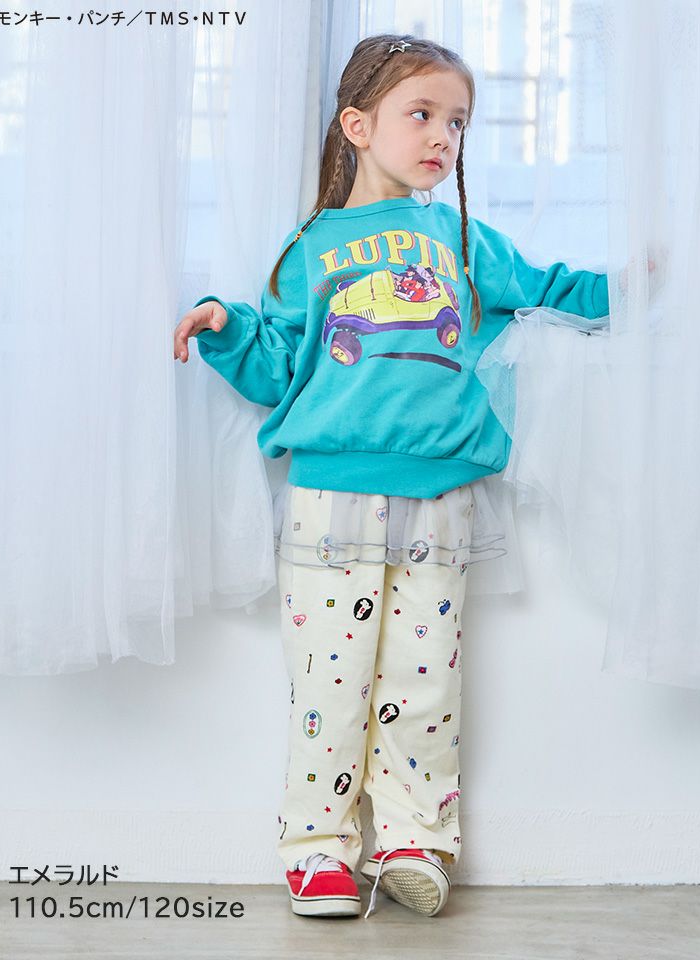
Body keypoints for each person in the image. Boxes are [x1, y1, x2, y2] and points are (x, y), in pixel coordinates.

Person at [173, 34, 612, 921]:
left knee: (424, 683)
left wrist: (641, 287)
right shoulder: (312, 248)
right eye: (422, 114)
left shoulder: (461, 238)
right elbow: (279, 366)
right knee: (330, 685)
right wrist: (226, 324)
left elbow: (550, 288)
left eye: (457, 122)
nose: (443, 136)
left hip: (440, 495)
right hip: (332, 493)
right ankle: (317, 847)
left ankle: (415, 841)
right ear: (358, 125)